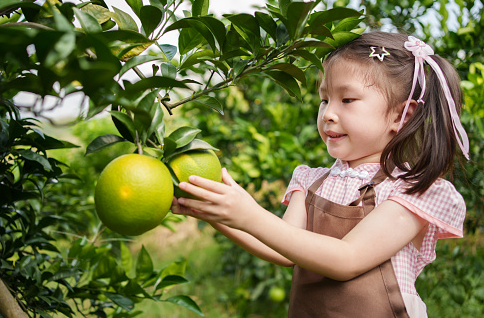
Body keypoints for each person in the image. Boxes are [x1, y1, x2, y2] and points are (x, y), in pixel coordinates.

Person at [171, 31, 469, 317]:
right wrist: (215, 211)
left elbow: (347, 258)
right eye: (324, 99)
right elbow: (283, 246)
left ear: (401, 116)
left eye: (347, 100)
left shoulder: (411, 191)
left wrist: (249, 214)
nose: (327, 113)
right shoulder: (309, 180)